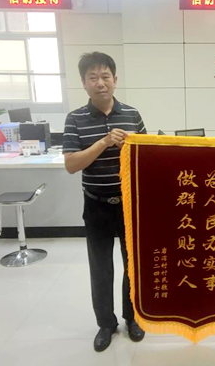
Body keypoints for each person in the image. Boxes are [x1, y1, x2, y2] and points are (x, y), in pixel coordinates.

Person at [62, 52, 146, 352]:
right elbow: (71, 165)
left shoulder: (132, 115)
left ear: (115, 80)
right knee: (100, 268)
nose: (100, 83)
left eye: (105, 76)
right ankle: (106, 324)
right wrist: (104, 142)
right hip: (96, 204)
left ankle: (132, 317)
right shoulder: (75, 119)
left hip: (129, 205)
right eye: (93, 78)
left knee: (133, 266)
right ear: (84, 83)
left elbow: (147, 157)